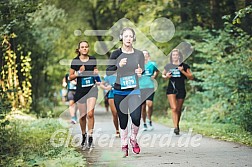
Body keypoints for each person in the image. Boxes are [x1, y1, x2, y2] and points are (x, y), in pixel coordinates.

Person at [106, 27, 144, 157]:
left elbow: (141, 70)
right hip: (119, 91)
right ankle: (124, 145)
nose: (128, 38)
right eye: (126, 36)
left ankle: (133, 139)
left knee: (136, 118)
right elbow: (109, 71)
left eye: (131, 36)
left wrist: (140, 72)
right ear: (121, 37)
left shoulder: (139, 54)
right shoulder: (115, 54)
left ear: (133, 38)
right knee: (123, 119)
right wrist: (118, 65)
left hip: (134, 90)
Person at [69, 41, 99, 149]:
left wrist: (96, 72)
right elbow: (70, 77)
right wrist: (79, 73)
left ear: (88, 48)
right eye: (82, 47)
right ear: (79, 49)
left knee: (90, 113)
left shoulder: (93, 59)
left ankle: (90, 137)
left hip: (92, 89)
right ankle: (84, 135)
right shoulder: (75, 61)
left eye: (86, 47)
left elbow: (95, 70)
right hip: (81, 91)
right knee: (82, 115)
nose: (85, 48)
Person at [162, 49, 193, 135]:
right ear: (171, 57)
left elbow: (191, 77)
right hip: (171, 89)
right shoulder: (168, 66)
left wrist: (182, 71)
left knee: (178, 109)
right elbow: (163, 75)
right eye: (173, 55)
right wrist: (166, 76)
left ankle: (177, 125)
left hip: (181, 89)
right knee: (174, 108)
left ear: (179, 56)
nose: (175, 56)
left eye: (176, 55)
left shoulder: (184, 66)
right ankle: (175, 127)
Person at [139, 50, 159, 131]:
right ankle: (144, 123)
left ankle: (149, 119)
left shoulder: (152, 64)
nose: (144, 56)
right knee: (143, 107)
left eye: (146, 54)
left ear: (148, 56)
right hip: (140, 87)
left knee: (149, 104)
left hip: (150, 86)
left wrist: (154, 76)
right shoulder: (138, 65)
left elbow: (157, 71)